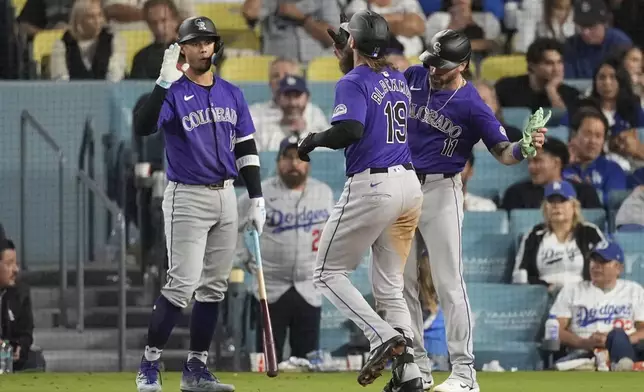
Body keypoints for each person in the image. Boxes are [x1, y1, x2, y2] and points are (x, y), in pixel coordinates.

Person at [401, 30, 546, 392]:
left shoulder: (472, 103)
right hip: (401, 185)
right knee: (401, 283)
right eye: (432, 61)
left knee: (449, 282)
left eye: (443, 65)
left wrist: (524, 148)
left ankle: (465, 373)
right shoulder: (415, 75)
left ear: (464, 64)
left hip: (441, 188)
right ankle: (417, 367)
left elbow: (503, 153)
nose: (434, 70)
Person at [132, 16, 266, 392]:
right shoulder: (173, 91)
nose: (203, 47)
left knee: (214, 288)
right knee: (181, 285)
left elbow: (246, 147)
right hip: (187, 196)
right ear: (182, 48)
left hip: (226, 194)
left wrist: (255, 197)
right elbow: (143, 126)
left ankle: (196, 370)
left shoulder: (232, 93)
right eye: (195, 42)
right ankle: (150, 363)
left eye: (208, 40)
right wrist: (161, 83)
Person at [297, 10, 425, 392]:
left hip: (374, 186)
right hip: (409, 187)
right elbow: (365, 85)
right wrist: (348, 53)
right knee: (389, 289)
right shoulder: (397, 76)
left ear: (352, 41)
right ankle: (411, 375)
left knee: (325, 273)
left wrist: (314, 140)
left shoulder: (353, 81)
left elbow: (349, 129)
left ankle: (381, 336)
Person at [236, 135, 334, 363]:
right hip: (270, 287)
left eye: (300, 157)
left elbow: (337, 233)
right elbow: (233, 226)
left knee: (308, 360)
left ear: (308, 163)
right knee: (269, 359)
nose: (294, 163)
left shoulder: (325, 193)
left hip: (309, 287)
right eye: (288, 157)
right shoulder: (258, 194)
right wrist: (244, 258)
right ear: (278, 161)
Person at [550, 240, 644, 370]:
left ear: (619, 268)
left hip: (628, 350)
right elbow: (554, 330)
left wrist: (616, 342)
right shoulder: (572, 290)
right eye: (593, 260)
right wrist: (583, 342)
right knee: (557, 369)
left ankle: (621, 364)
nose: (595, 266)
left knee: (617, 334)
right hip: (583, 353)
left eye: (603, 261)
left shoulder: (634, 290)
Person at [513, 180, 605, 294]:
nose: (556, 206)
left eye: (562, 200)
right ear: (545, 207)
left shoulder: (590, 232)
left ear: (573, 205)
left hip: (584, 295)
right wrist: (545, 288)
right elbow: (520, 273)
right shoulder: (534, 235)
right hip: (543, 296)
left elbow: (605, 268)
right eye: (552, 201)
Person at [502, 138, 601, 210]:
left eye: (537, 161)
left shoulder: (584, 193)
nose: (531, 167)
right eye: (529, 162)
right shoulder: (515, 194)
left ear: (556, 163)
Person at [0, 239, 37, 372]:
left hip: (7, 358)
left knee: (35, 362)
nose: (16, 269)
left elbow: (26, 332)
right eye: (9, 264)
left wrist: (21, 345)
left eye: (16, 263)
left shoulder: (21, 293)